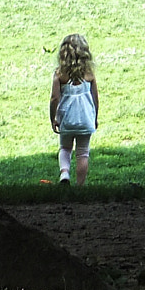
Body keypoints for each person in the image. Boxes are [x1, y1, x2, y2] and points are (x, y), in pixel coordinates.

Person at [49, 32, 100, 187]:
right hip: (85, 119)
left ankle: (64, 173)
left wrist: (53, 118)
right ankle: (80, 185)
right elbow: (95, 98)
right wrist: (95, 117)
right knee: (83, 152)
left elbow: (54, 98)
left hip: (67, 119)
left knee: (65, 147)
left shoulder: (60, 74)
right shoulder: (89, 74)